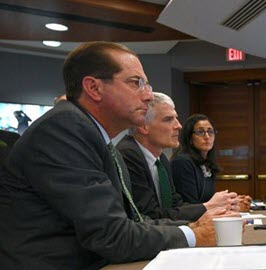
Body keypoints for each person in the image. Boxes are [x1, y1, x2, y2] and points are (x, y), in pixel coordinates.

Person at [0, 41, 232, 269]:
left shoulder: (96, 137)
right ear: (94, 88)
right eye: (136, 83)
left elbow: (133, 222)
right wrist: (193, 234)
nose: (149, 96)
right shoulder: (64, 129)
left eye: (147, 85)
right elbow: (111, 236)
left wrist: (194, 225)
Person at [117, 92, 240, 221]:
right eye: (168, 119)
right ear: (143, 126)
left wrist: (218, 209)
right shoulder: (128, 155)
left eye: (176, 118)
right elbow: (149, 216)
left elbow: (175, 205)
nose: (179, 126)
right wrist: (207, 207)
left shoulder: (161, 160)